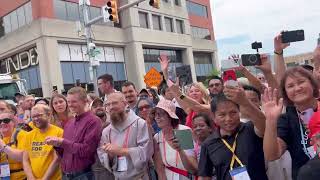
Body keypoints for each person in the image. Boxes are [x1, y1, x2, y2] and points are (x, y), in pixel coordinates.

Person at [198, 85, 267, 180]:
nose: (228, 119)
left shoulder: (251, 129)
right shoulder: (208, 144)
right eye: (222, 115)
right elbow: (204, 176)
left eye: (233, 113)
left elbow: (264, 126)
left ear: (239, 112)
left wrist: (245, 102)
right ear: (214, 118)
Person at [263, 66, 320, 180]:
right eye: (290, 86)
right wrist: (270, 120)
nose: (297, 88)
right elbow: (272, 155)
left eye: (301, 82)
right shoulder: (287, 119)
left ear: (313, 85)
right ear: (285, 93)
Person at [45, 87, 102, 180]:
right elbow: (64, 154)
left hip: (83, 174)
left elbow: (87, 150)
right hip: (66, 174)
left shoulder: (94, 121)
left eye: (74, 101)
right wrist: (57, 145)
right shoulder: (70, 123)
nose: (70, 105)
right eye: (69, 102)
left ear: (85, 101)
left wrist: (62, 142)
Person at [98, 92, 153, 179]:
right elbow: (102, 156)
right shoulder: (106, 131)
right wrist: (110, 155)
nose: (111, 107)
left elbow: (146, 152)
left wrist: (121, 151)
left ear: (125, 104)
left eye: (115, 103)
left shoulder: (139, 124)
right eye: (108, 104)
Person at [153, 99, 197, 180]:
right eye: (155, 114)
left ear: (170, 116)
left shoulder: (183, 132)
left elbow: (193, 167)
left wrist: (180, 150)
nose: (157, 117)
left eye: (161, 114)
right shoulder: (157, 137)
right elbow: (160, 169)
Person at [23, 104, 63, 180]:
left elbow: (57, 159)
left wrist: (44, 179)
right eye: (33, 116)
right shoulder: (29, 135)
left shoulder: (59, 132)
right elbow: (25, 160)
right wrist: (30, 177)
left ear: (48, 115)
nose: (36, 119)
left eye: (39, 115)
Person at [89, 98, 114, 180]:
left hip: (117, 165)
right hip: (99, 168)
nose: (99, 107)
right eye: (95, 106)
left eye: (101, 105)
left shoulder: (114, 121)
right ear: (90, 110)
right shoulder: (88, 126)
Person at [0, 112, 27, 180]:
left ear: (14, 123)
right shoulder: (1, 138)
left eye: (6, 120)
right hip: (4, 177)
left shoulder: (21, 134)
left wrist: (3, 145)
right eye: (0, 121)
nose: (2, 123)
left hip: (22, 177)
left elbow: (22, 157)